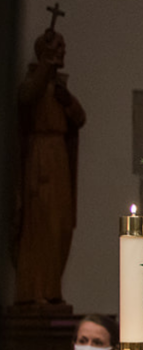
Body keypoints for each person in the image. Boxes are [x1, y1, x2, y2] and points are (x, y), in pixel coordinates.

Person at [15, 25, 86, 306]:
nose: (63, 52)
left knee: (61, 224)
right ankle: (35, 291)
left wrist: (66, 99)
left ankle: (52, 288)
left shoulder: (59, 88)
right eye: (58, 48)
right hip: (40, 157)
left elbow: (79, 118)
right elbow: (26, 98)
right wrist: (46, 67)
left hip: (59, 159)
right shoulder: (33, 83)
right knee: (40, 224)